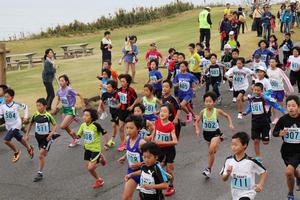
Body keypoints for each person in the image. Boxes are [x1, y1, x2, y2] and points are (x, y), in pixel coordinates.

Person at [243, 82, 286, 163]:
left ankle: (267, 133)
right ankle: (258, 157)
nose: (256, 92)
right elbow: (250, 107)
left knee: (265, 142)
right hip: (255, 122)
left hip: (264, 122)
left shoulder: (265, 98)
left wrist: (284, 111)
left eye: (258, 90)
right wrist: (246, 112)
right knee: (256, 140)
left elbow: (275, 105)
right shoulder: (251, 98)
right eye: (255, 90)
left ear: (262, 91)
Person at [195, 92, 234, 178]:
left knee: (211, 150)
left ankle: (208, 169)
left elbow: (227, 116)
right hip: (206, 134)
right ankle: (217, 144)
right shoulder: (202, 112)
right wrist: (197, 129)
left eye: (210, 101)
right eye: (206, 101)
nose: (208, 103)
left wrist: (230, 124)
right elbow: (197, 121)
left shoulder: (217, 111)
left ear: (214, 102)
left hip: (215, 133)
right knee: (212, 151)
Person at [220, 132, 268, 200]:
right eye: (232, 144)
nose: (233, 147)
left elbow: (264, 172)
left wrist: (260, 185)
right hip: (235, 194)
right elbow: (223, 179)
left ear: (244, 145)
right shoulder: (229, 160)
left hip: (248, 193)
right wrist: (228, 174)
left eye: (236, 145)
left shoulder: (251, 161)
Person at [273, 95, 300, 200]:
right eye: (288, 106)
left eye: (293, 105)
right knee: (292, 171)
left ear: (298, 107)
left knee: (289, 172)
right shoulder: (283, 119)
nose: (291, 108)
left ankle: (290, 194)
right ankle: (298, 178)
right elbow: (275, 132)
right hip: (286, 151)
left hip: (298, 151)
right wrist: (280, 133)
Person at [26, 98, 58, 182]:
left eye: (39, 105)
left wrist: (51, 134)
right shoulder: (35, 115)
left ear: (45, 106)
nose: (38, 107)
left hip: (46, 137)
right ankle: (47, 147)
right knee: (44, 154)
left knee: (40, 155)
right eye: (37, 105)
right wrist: (27, 134)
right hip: (38, 137)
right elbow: (30, 124)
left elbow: (55, 125)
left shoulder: (48, 115)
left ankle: (40, 173)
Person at [0, 88, 34, 163]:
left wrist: (25, 117)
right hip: (8, 126)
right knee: (19, 138)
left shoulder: (16, 105)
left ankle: (16, 152)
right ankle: (29, 148)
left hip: (17, 124)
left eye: (7, 97)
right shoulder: (2, 106)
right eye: (5, 97)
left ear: (12, 97)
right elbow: (1, 116)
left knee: (6, 140)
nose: (6, 98)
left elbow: (25, 107)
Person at [76, 108, 107, 189]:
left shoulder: (96, 126)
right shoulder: (83, 125)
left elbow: (104, 133)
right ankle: (99, 180)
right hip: (87, 149)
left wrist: (106, 144)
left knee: (90, 167)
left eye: (87, 115)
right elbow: (78, 136)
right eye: (84, 115)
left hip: (96, 149)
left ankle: (100, 157)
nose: (84, 117)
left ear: (92, 117)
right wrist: (73, 134)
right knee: (89, 168)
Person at [53, 74, 85, 148]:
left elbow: (79, 95)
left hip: (71, 109)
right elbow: (58, 99)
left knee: (62, 126)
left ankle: (73, 119)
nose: (60, 82)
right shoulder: (59, 90)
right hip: (64, 109)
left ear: (66, 82)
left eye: (62, 81)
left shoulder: (69, 90)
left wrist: (82, 104)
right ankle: (75, 139)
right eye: (60, 81)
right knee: (66, 127)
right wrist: (56, 107)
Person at [152, 105, 178, 196]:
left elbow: (175, 141)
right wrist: (152, 143)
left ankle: (171, 186)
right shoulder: (157, 122)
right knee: (155, 168)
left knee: (169, 170)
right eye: (161, 111)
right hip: (159, 150)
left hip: (170, 150)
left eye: (165, 111)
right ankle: (156, 186)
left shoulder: (171, 126)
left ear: (170, 114)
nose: (162, 113)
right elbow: (153, 134)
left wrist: (162, 142)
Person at [118, 115, 146, 200]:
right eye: (127, 128)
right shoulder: (127, 139)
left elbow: (151, 162)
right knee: (126, 197)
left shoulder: (142, 143)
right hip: (131, 172)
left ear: (138, 128)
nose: (128, 130)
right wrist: (124, 157)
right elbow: (129, 151)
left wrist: (139, 164)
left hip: (144, 174)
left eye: (131, 128)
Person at [267, 57, 294, 124]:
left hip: (280, 90)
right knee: (272, 105)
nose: (271, 63)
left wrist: (290, 89)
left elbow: (286, 79)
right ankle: (275, 118)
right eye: (270, 62)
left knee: (281, 104)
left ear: (276, 63)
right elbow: (266, 80)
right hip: (272, 91)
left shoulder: (279, 70)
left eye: (273, 62)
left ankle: (284, 117)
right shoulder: (267, 70)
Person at [116, 74, 138, 152]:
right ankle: (123, 144)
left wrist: (132, 106)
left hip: (129, 111)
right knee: (121, 127)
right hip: (121, 111)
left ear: (127, 82)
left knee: (129, 129)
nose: (121, 83)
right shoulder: (119, 90)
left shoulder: (131, 90)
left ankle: (132, 141)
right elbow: (119, 99)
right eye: (121, 81)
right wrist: (119, 104)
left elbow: (136, 99)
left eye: (123, 81)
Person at [97, 80, 119, 150]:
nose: (108, 89)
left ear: (114, 88)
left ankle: (112, 140)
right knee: (115, 126)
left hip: (120, 112)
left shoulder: (118, 94)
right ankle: (113, 140)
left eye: (109, 87)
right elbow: (101, 100)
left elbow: (122, 103)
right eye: (107, 87)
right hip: (112, 112)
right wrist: (99, 108)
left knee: (115, 126)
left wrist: (116, 101)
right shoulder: (106, 94)